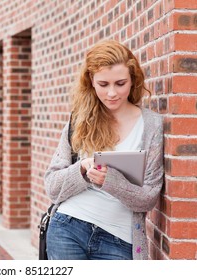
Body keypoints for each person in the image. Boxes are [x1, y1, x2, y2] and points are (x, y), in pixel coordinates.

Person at [44, 40, 164, 260]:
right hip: (68, 228)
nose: (111, 93)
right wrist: (81, 168)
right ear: (91, 81)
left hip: (119, 241)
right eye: (103, 84)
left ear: (133, 79)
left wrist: (109, 181)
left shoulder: (151, 125)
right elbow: (52, 187)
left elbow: (148, 198)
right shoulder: (79, 121)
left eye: (120, 83)